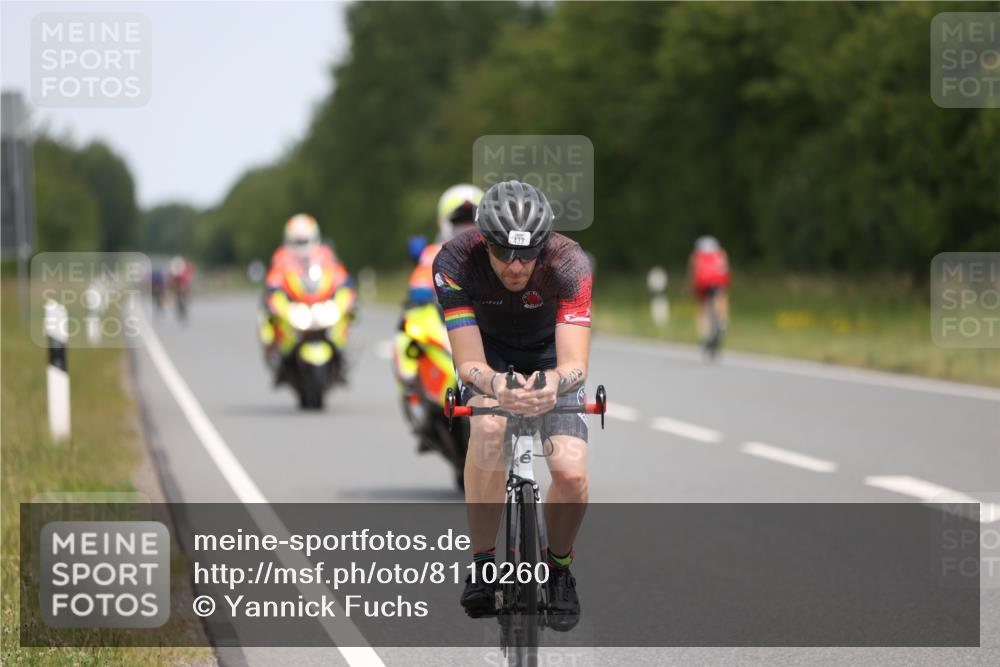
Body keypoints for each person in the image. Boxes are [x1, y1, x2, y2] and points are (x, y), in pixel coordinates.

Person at [432, 180, 592, 631]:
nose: (517, 266)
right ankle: (483, 564)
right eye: (504, 253)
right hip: (490, 356)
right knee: (486, 430)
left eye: (528, 254)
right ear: (485, 240)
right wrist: (496, 386)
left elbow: (575, 363)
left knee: (572, 473)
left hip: (549, 357)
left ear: (543, 245)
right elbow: (468, 363)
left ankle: (559, 569)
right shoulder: (454, 260)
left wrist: (555, 383)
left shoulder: (569, 262)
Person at [260, 214, 352, 370]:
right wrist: (276, 299)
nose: (302, 245)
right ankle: (274, 350)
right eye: (298, 241)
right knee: (267, 317)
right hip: (295, 307)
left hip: (320, 305)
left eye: (305, 240)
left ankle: (343, 351)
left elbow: (340, 277)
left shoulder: (326, 255)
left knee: (346, 316)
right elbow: (273, 283)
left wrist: (346, 293)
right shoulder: (281, 257)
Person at [688, 235, 730, 340]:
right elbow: (725, 270)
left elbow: (692, 272)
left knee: (702, 308)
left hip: (702, 284)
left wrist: (690, 287)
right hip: (718, 282)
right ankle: (722, 321)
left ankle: (703, 334)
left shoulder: (696, 255)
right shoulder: (721, 253)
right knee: (721, 298)